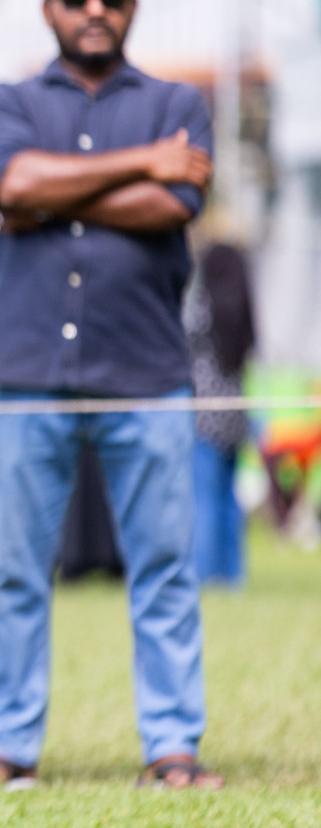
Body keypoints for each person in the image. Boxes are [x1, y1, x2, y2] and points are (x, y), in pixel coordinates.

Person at [0, 0, 221, 790]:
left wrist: (47, 196)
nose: (95, 9)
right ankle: (6, 747)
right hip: (28, 371)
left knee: (166, 567)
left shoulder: (180, 103)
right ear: (49, 7)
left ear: (133, 5)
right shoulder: (8, 103)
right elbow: (8, 180)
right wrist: (145, 163)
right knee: (13, 571)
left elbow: (172, 206)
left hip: (146, 372)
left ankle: (172, 748)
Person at [186, 241, 256, 585]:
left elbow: (183, 342)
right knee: (229, 498)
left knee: (203, 499)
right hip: (235, 419)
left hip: (205, 417)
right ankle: (233, 574)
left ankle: (203, 573)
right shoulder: (243, 312)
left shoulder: (205, 308)